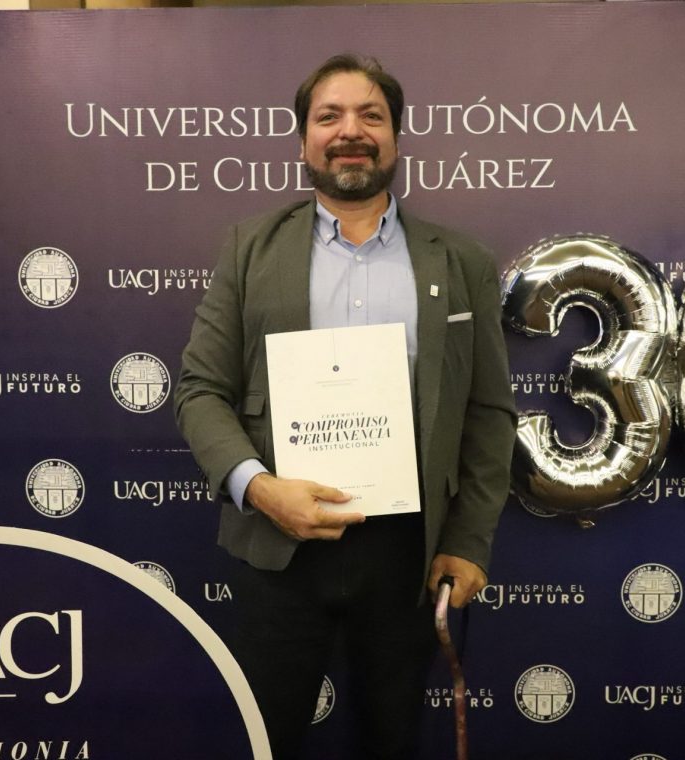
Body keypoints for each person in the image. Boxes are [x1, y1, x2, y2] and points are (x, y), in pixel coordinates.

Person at [174, 53, 517, 760]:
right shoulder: (248, 250)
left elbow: (487, 414)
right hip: (277, 546)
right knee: (264, 739)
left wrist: (468, 540)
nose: (350, 132)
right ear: (303, 140)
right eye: (329, 117)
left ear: (396, 137)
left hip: (409, 554)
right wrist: (259, 489)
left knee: (391, 740)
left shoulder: (462, 261)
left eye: (371, 116)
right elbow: (200, 390)